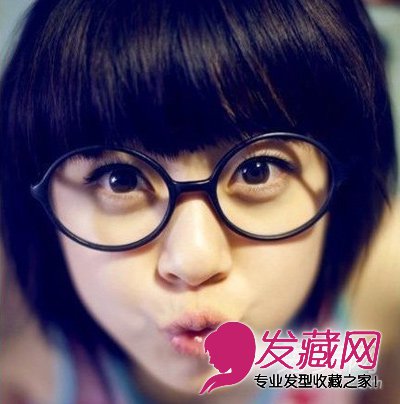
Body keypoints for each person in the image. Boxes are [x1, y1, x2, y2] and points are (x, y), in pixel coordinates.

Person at [0, 0, 397, 403]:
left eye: (257, 171)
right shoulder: (25, 380)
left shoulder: (377, 303)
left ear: (344, 178)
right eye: (122, 180)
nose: (194, 261)